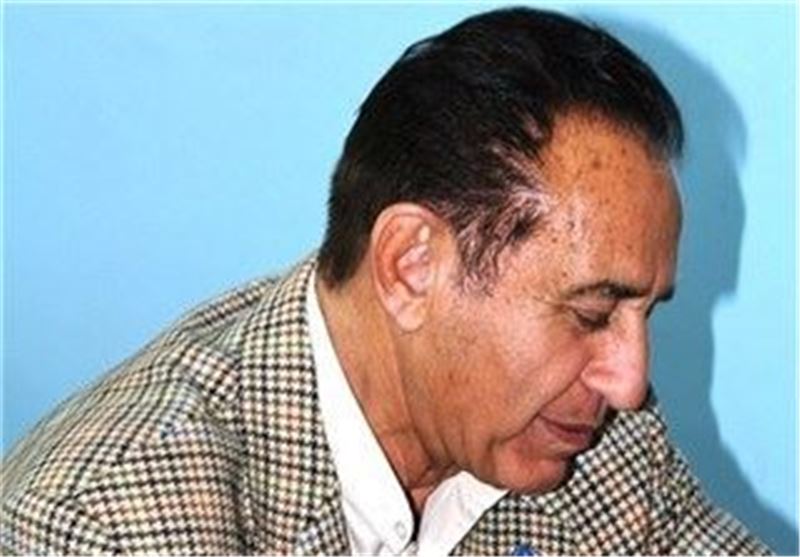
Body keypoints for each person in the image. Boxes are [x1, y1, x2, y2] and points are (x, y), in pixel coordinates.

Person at [1, 7, 771, 555]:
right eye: (593, 313)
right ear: (411, 266)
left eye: (644, 313)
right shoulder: (102, 526)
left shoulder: (600, 441)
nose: (630, 383)